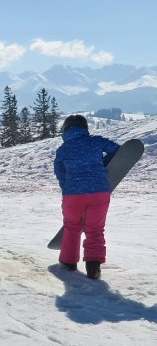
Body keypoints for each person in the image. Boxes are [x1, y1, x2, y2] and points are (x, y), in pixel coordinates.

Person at [54, 114, 120, 280]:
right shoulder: (97, 141)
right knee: (95, 229)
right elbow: (119, 151)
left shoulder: (62, 150)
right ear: (85, 128)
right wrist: (102, 164)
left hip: (73, 195)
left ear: (66, 130)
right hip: (99, 191)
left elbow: (60, 172)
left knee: (72, 227)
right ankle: (93, 267)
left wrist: (67, 187)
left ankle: (68, 262)